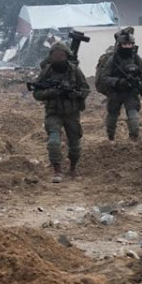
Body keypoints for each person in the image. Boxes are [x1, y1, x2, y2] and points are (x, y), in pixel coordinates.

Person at [32, 41, 90, 183]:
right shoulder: (47, 72)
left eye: (61, 55)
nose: (58, 58)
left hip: (72, 113)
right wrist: (52, 92)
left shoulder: (75, 71)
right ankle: (57, 170)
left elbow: (85, 89)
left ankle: (73, 168)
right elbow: (37, 93)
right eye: (55, 55)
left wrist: (75, 94)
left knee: (75, 145)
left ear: (67, 56)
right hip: (53, 113)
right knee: (53, 142)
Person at [95, 27, 142, 141]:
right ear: (120, 45)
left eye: (130, 44)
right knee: (113, 115)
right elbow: (104, 78)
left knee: (133, 114)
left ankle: (134, 138)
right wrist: (118, 82)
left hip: (130, 91)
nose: (128, 47)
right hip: (116, 92)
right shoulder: (113, 59)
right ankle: (110, 138)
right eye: (125, 44)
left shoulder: (136, 58)